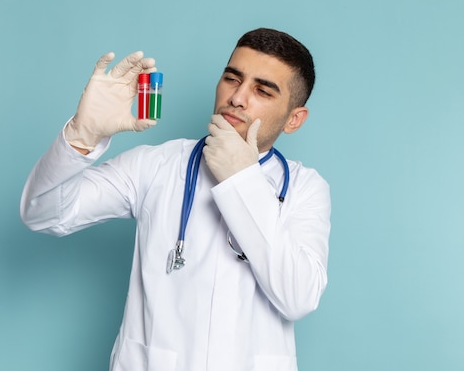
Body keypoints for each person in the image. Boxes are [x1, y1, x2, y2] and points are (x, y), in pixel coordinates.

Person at [20, 28, 331, 371]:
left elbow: (298, 297)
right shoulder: (156, 165)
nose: (238, 97)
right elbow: (44, 214)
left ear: (294, 119)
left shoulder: (304, 188)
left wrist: (241, 179)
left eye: (262, 90)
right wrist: (83, 133)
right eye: (232, 78)